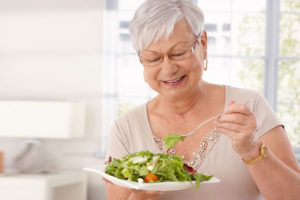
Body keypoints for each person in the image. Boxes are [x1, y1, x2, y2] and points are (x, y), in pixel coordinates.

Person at [104, 0, 300, 199]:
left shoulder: (249, 107)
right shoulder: (126, 128)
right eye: (153, 58)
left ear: (203, 44)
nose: (168, 69)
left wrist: (251, 150)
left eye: (179, 53)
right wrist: (141, 195)